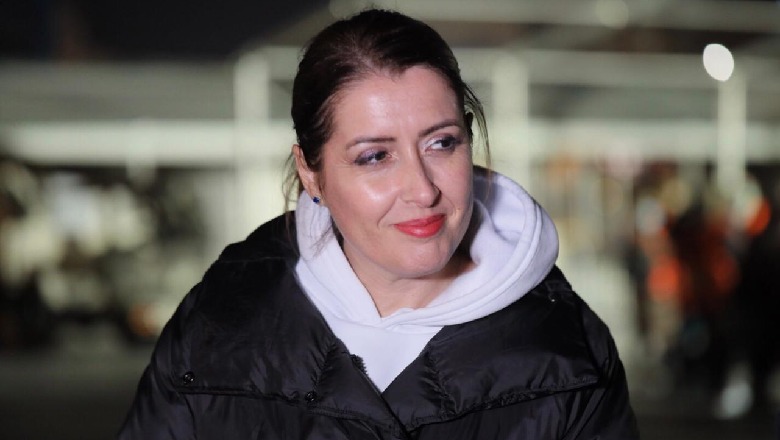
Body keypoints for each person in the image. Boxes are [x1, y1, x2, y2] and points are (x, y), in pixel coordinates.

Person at [118, 9, 639, 439]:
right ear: (311, 172)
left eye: (442, 143)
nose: (422, 190)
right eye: (374, 157)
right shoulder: (219, 321)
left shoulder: (568, 348)